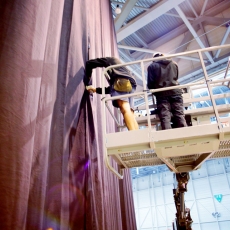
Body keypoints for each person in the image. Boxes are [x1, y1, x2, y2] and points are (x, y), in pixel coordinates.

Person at [84, 57, 139, 130]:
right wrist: (95, 90)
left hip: (123, 82)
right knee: (129, 112)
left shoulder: (111, 61)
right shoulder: (120, 70)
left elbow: (90, 63)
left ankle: (134, 135)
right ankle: (137, 133)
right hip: (131, 85)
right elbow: (112, 89)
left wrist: (88, 78)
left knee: (124, 108)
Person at [147, 53, 187, 130]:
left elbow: (150, 83)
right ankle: (185, 135)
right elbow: (176, 77)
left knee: (165, 117)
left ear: (153, 59)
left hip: (161, 94)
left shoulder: (152, 66)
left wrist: (155, 91)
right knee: (180, 115)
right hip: (176, 92)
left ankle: (169, 137)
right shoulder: (174, 63)